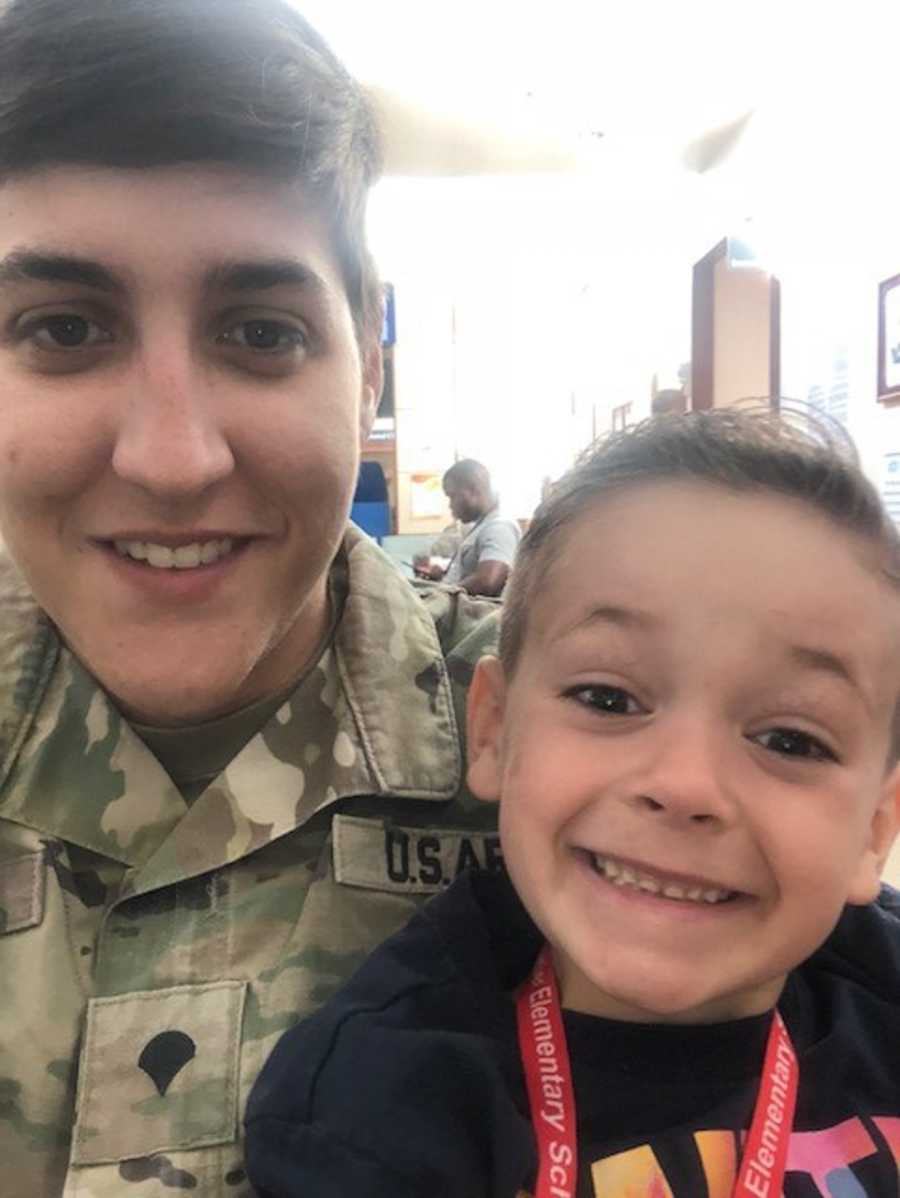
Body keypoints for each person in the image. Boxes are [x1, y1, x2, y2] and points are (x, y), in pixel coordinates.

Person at [0, 1, 501, 1193]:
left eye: (261, 331)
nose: (172, 459)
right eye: (64, 328)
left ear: (367, 362)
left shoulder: (580, 754)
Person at [245, 408, 900, 1198]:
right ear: (492, 730)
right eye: (608, 697)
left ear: (875, 828)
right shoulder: (373, 1108)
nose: (685, 784)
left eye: (791, 741)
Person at [416, 459, 520, 596]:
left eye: (452, 496)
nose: (450, 505)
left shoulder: (500, 527)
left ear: (474, 490)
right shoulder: (483, 526)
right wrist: (443, 575)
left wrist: (442, 593)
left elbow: (488, 581)